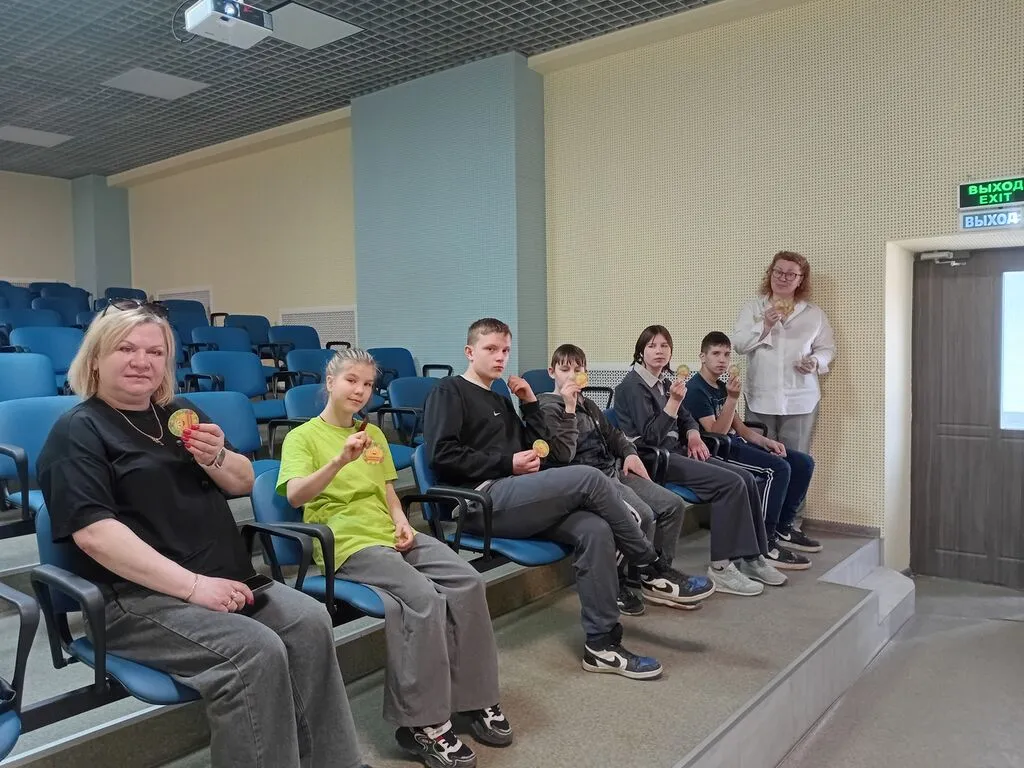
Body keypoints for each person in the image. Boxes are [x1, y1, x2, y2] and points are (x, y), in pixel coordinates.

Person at [35, 300, 365, 768]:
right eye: (125, 349)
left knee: (310, 621)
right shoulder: (77, 431)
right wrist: (194, 587)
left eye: (155, 352)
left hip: (224, 577)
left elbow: (244, 481)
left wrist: (215, 457)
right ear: (95, 359)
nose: (142, 361)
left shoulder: (178, 411)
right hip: (136, 599)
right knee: (254, 651)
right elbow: (96, 535)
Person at [425, 318, 711, 682]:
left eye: (505, 350)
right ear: (470, 352)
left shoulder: (500, 397)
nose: (500, 357)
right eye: (491, 349)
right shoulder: (449, 390)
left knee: (595, 529)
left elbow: (546, 449)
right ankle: (651, 565)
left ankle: (602, 644)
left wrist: (529, 404)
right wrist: (507, 463)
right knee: (588, 477)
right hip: (480, 499)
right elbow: (441, 456)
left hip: (517, 494)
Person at [278, 347, 510, 768]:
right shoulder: (303, 437)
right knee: (423, 599)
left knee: (468, 581)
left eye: (368, 384)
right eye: (351, 380)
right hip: (347, 542)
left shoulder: (375, 435)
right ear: (330, 382)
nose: (360, 390)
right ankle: (424, 724)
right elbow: (295, 495)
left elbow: (387, 491)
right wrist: (339, 460)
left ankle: (475, 698)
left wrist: (403, 521)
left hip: (390, 532)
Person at [537, 343, 713, 615]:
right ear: (552, 372)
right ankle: (617, 584)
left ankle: (655, 576)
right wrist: (569, 408)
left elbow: (614, 435)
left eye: (579, 369)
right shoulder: (547, 407)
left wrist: (630, 453)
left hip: (614, 470)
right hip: (589, 479)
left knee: (672, 505)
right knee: (642, 515)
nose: (572, 375)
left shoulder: (588, 404)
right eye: (565, 369)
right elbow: (563, 455)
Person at [614, 325, 785, 595]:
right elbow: (650, 438)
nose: (659, 351)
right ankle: (721, 568)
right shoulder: (632, 386)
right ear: (640, 352)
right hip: (654, 459)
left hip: (679, 450)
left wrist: (693, 434)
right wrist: (673, 403)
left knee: (745, 478)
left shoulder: (665, 381)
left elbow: (687, 418)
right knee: (730, 484)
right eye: (652, 346)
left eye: (664, 346)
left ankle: (752, 557)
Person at [684, 332, 820, 568]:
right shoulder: (696, 389)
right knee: (778, 469)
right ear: (702, 357)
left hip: (735, 443)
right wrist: (732, 399)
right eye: (715, 353)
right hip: (717, 451)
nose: (722, 360)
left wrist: (766, 442)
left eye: (726, 354)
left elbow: (740, 428)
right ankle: (764, 542)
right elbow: (717, 433)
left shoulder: (720, 386)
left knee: (802, 462)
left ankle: (783, 528)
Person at [733, 251, 835, 530]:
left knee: (797, 461)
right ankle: (760, 524)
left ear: (801, 280)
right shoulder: (753, 308)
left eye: (791, 274)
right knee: (762, 461)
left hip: (801, 399)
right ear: (770, 273)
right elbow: (739, 344)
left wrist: (815, 362)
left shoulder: (813, 314)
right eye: (778, 271)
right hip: (760, 397)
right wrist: (764, 324)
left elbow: (827, 348)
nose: (783, 278)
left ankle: (790, 524)